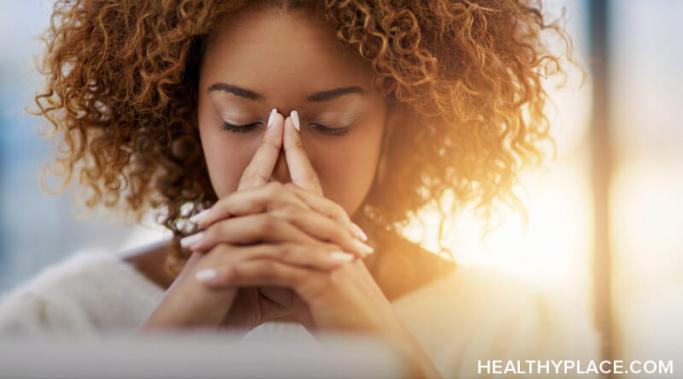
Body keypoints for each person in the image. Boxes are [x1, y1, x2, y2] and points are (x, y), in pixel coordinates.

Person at [0, 0, 599, 377]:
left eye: (329, 124)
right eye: (239, 121)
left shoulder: (522, 332)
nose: (283, 163)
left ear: (398, 121)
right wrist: (168, 343)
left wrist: (387, 350)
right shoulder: (56, 325)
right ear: (189, 119)